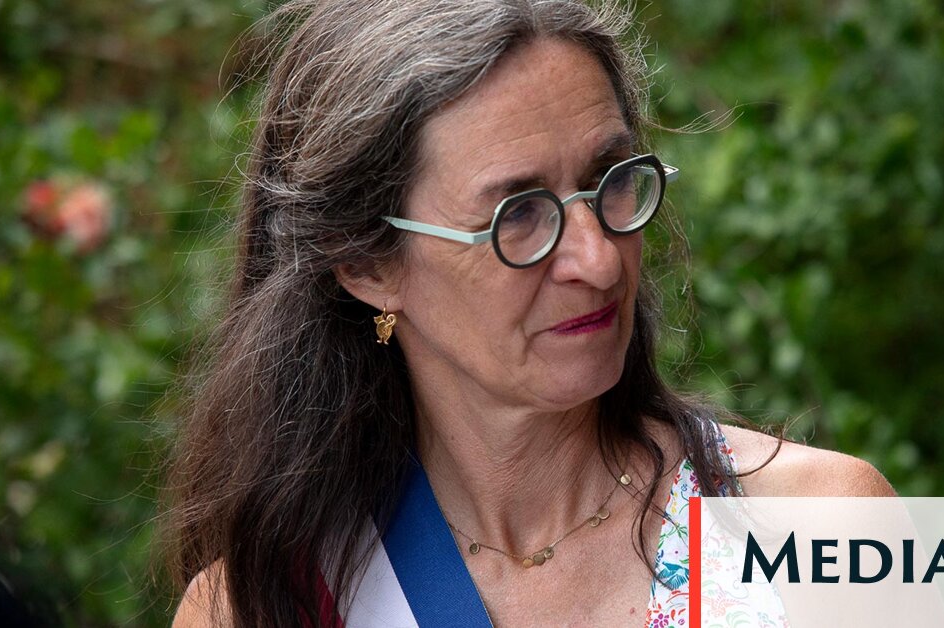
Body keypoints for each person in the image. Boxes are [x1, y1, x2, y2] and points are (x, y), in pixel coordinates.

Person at [164, 1, 894, 626]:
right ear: (367, 266)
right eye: (518, 215)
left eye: (609, 179)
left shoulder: (815, 532)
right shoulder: (268, 607)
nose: (599, 261)